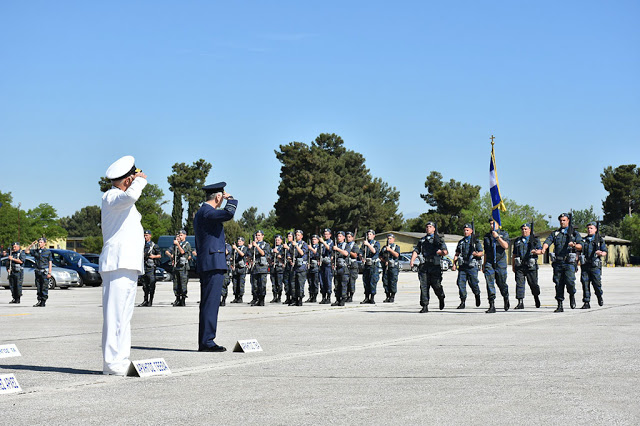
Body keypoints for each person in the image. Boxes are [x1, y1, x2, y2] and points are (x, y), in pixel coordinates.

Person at [99, 155, 147, 375]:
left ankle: (121, 359)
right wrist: (140, 181)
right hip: (116, 263)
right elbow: (130, 198)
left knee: (124, 317)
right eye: (133, 176)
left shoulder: (121, 198)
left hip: (127, 263)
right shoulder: (111, 196)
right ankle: (111, 363)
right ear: (127, 180)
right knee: (114, 315)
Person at [193, 182, 238, 352]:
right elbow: (228, 213)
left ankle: (206, 340)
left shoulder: (203, 212)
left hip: (210, 262)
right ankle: (207, 342)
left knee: (209, 303)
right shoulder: (207, 211)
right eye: (222, 196)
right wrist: (232, 200)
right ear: (218, 197)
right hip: (212, 263)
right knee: (210, 303)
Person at [542, 213, 583, 312]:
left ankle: (572, 295)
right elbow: (547, 241)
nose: (562, 222)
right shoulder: (555, 233)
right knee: (558, 283)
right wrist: (544, 248)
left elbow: (581, 246)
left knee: (570, 282)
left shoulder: (574, 233)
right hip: (558, 262)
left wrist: (574, 245)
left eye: (564, 220)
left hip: (569, 262)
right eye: (561, 220)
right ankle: (560, 304)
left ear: (568, 220)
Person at [410, 222, 447, 313]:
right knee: (424, 286)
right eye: (427, 227)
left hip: (435, 266)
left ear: (434, 229)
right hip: (424, 265)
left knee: (436, 285)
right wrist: (412, 260)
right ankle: (424, 305)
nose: (428, 228)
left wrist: (441, 252)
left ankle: (441, 296)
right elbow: (416, 251)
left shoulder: (439, 240)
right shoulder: (422, 240)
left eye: (430, 227)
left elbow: (445, 251)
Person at [452, 224, 483, 309]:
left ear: (471, 231)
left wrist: (476, 254)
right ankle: (462, 301)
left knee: (473, 283)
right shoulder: (461, 242)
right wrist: (454, 264)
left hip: (472, 266)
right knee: (460, 283)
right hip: (462, 266)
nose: (466, 232)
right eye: (465, 230)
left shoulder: (475, 241)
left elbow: (481, 252)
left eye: (467, 230)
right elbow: (457, 253)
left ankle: (477, 294)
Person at [511, 223, 542, 309]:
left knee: (533, 284)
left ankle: (536, 297)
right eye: (523, 229)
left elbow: (540, 250)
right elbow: (514, 254)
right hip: (520, 265)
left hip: (531, 266)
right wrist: (513, 265)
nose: (524, 231)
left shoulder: (535, 240)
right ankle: (520, 302)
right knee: (519, 284)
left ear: (530, 230)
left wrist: (536, 252)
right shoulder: (517, 240)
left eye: (526, 229)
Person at [482, 219, 510, 313]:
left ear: (498, 224)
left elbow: (506, 246)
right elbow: (486, 251)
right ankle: (492, 305)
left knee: (501, 282)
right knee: (489, 283)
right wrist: (484, 263)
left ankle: (505, 297)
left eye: (493, 223)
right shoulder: (487, 236)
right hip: (489, 262)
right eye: (490, 224)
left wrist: (497, 237)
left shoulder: (504, 234)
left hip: (500, 261)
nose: (491, 225)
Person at [578, 222, 607, 309]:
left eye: (591, 228)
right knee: (585, 283)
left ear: (595, 229)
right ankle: (586, 302)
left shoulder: (600, 240)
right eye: (588, 228)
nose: (589, 230)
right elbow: (579, 251)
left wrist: (601, 253)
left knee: (596, 283)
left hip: (595, 265)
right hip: (585, 265)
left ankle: (599, 296)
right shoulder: (584, 240)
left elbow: (605, 251)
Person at [166, 230, 192, 307]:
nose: (180, 237)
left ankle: (183, 299)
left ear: (185, 236)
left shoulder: (186, 244)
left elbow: (182, 252)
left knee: (183, 284)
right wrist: (171, 256)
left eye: (181, 235)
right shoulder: (175, 245)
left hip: (183, 268)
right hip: (176, 267)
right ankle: (177, 299)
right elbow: (168, 251)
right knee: (176, 284)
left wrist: (178, 245)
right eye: (179, 235)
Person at [138, 230, 160, 307]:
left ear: (150, 236)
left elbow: (159, 255)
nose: (145, 237)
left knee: (151, 285)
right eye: (144, 235)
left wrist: (153, 256)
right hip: (144, 267)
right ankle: (145, 300)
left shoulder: (154, 246)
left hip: (151, 268)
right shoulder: (141, 245)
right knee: (144, 285)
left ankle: (150, 301)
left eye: (147, 235)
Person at [249, 230, 271, 307]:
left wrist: (257, 246)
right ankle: (256, 298)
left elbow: (263, 253)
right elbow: (249, 255)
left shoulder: (266, 245)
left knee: (262, 285)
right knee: (254, 285)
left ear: (262, 236)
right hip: (254, 268)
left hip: (262, 267)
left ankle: (261, 300)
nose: (257, 237)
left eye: (259, 235)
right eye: (256, 235)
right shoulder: (253, 245)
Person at [30, 237, 52, 307]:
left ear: (44, 243)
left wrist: (49, 273)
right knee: (38, 287)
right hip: (37, 271)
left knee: (44, 287)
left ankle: (43, 301)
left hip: (44, 272)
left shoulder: (48, 252)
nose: (40, 243)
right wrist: (31, 244)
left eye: (41, 242)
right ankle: (39, 301)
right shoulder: (36, 251)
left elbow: (50, 263)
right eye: (39, 242)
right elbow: (26, 251)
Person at [360, 229, 381, 304]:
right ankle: (366, 297)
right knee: (366, 281)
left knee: (372, 281)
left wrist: (368, 245)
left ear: (373, 236)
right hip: (366, 265)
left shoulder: (376, 243)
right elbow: (360, 252)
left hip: (373, 265)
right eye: (368, 234)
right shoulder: (364, 244)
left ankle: (372, 297)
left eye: (370, 234)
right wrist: (361, 257)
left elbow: (374, 251)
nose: (369, 236)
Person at [290, 229, 309, 306]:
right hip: (294, 267)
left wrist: (296, 246)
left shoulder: (304, 244)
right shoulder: (293, 244)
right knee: (293, 284)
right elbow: (289, 253)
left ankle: (300, 299)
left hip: (301, 267)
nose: (297, 236)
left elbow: (302, 253)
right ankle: (294, 299)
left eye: (298, 235)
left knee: (300, 284)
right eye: (296, 235)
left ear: (301, 236)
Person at [331, 231, 349, 306]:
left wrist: (337, 249)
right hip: (337, 267)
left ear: (344, 237)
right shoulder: (335, 245)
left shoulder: (346, 245)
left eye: (340, 236)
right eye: (338, 236)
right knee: (336, 284)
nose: (339, 238)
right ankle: (337, 299)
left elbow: (346, 253)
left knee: (343, 284)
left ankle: (343, 299)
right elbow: (332, 256)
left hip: (344, 268)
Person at [381, 233, 400, 303]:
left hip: (393, 267)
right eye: (388, 238)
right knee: (385, 281)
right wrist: (384, 261)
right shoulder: (384, 247)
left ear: (393, 239)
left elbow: (397, 255)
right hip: (386, 267)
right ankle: (387, 296)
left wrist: (390, 250)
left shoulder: (396, 247)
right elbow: (380, 256)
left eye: (390, 238)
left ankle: (392, 296)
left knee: (393, 281)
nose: (389, 240)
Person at [318, 229, 334, 304]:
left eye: (327, 234)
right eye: (325, 234)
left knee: (328, 281)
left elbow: (329, 249)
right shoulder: (321, 243)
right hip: (322, 264)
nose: (326, 235)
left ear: (330, 235)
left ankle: (328, 297)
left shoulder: (331, 242)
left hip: (328, 264)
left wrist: (323, 242)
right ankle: (323, 297)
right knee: (322, 281)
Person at [230, 237, 248, 303]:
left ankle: (240, 297)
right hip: (235, 268)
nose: (239, 242)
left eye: (240, 241)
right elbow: (232, 257)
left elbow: (242, 254)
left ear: (243, 242)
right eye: (238, 241)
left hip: (241, 268)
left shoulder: (244, 248)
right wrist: (232, 264)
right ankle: (236, 296)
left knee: (241, 283)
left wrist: (236, 248)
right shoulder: (234, 250)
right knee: (235, 283)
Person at [270, 235, 285, 303]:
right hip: (273, 267)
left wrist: (277, 252)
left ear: (281, 241)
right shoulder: (273, 248)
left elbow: (282, 257)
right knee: (273, 283)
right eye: (276, 240)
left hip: (279, 267)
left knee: (279, 283)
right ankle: (274, 296)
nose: (277, 241)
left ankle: (279, 297)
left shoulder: (282, 248)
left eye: (278, 240)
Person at [306, 234, 321, 303]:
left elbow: (318, 254)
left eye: (315, 239)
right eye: (313, 240)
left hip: (316, 267)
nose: (313, 241)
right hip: (310, 266)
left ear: (318, 240)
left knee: (315, 283)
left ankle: (314, 296)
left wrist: (311, 249)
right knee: (310, 282)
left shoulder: (319, 247)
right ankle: (311, 295)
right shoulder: (309, 247)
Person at [345, 232, 359, 303]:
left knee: (351, 282)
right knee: (346, 281)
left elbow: (355, 255)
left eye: (349, 237)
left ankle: (351, 296)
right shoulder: (345, 245)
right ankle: (346, 295)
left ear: (353, 238)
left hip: (352, 266)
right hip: (346, 265)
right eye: (347, 237)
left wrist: (348, 251)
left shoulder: (354, 245)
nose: (348, 238)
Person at [282, 232, 295, 305]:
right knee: (286, 282)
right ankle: (288, 297)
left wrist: (288, 248)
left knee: (292, 283)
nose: (288, 238)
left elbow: (294, 253)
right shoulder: (286, 244)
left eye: (290, 236)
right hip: (286, 265)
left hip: (292, 266)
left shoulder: (293, 245)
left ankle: (293, 298)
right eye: (288, 236)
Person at [221, 240, 233, 306]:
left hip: (225, 267)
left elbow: (226, 252)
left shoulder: (227, 246)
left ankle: (223, 299)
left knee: (224, 283)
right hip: (219, 266)